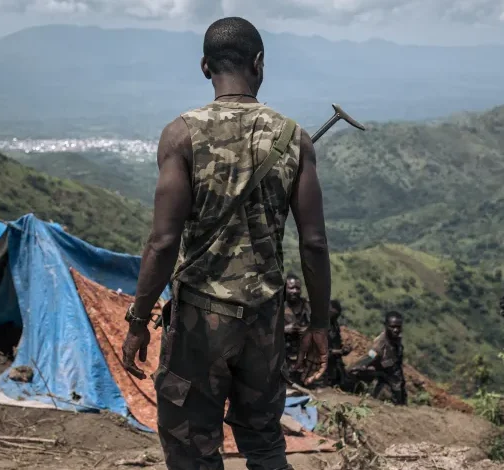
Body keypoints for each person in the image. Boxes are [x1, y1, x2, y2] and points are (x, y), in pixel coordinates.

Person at [119, 17, 331, 470]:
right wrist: (317, 324)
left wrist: (139, 320)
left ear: (204, 67)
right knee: (264, 442)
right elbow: (313, 243)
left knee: (192, 450)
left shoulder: (181, 135)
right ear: (260, 64)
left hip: (199, 320)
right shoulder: (294, 138)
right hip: (264, 322)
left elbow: (162, 242)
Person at [347, 311, 407, 405]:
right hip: (386, 385)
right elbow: (370, 357)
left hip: (397, 384)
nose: (396, 330)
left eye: (398, 327)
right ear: (386, 326)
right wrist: (358, 367)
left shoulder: (396, 342)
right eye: (392, 327)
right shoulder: (380, 345)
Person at [283, 274, 311, 378]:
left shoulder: (307, 306)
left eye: (297, 288)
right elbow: (264, 330)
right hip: (283, 358)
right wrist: (284, 330)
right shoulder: (276, 306)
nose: (294, 291)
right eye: (291, 288)